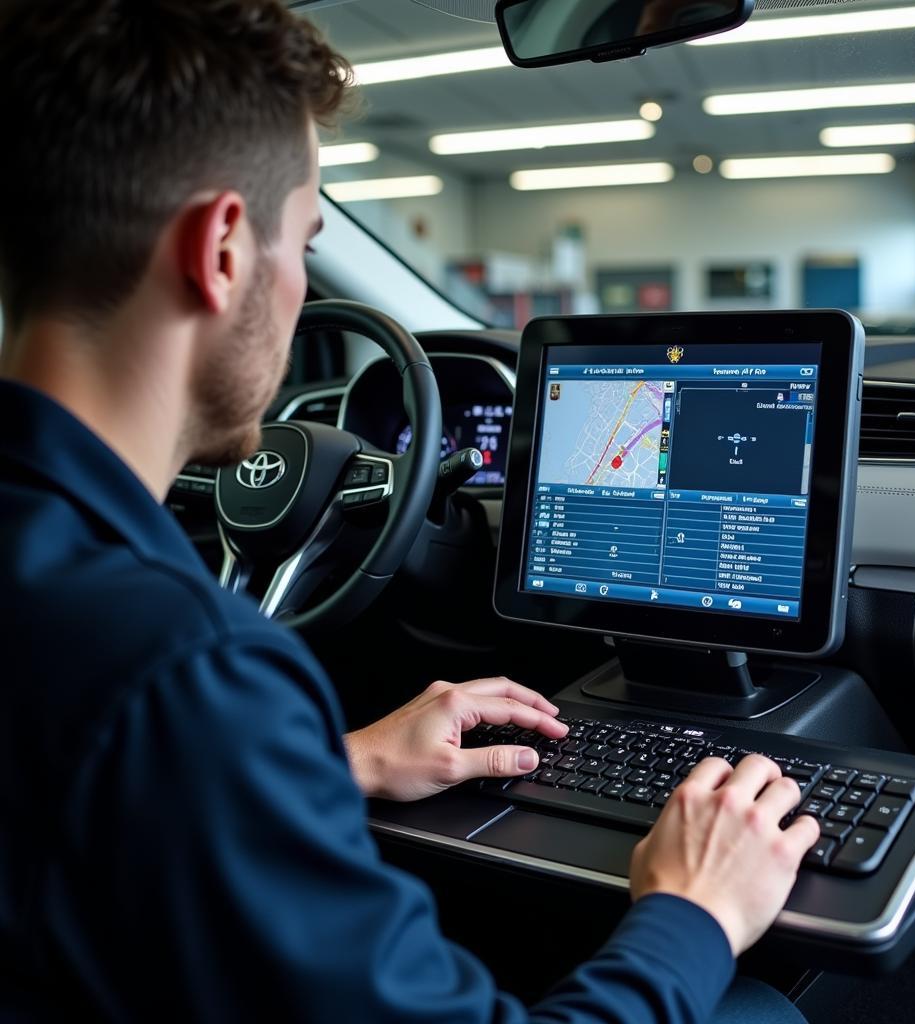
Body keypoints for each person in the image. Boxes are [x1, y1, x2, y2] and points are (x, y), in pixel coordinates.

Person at [0, 2, 820, 1021]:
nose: (300, 284)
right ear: (219, 250)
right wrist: (692, 910)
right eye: (302, 242)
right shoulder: (184, 674)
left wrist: (326, 768)